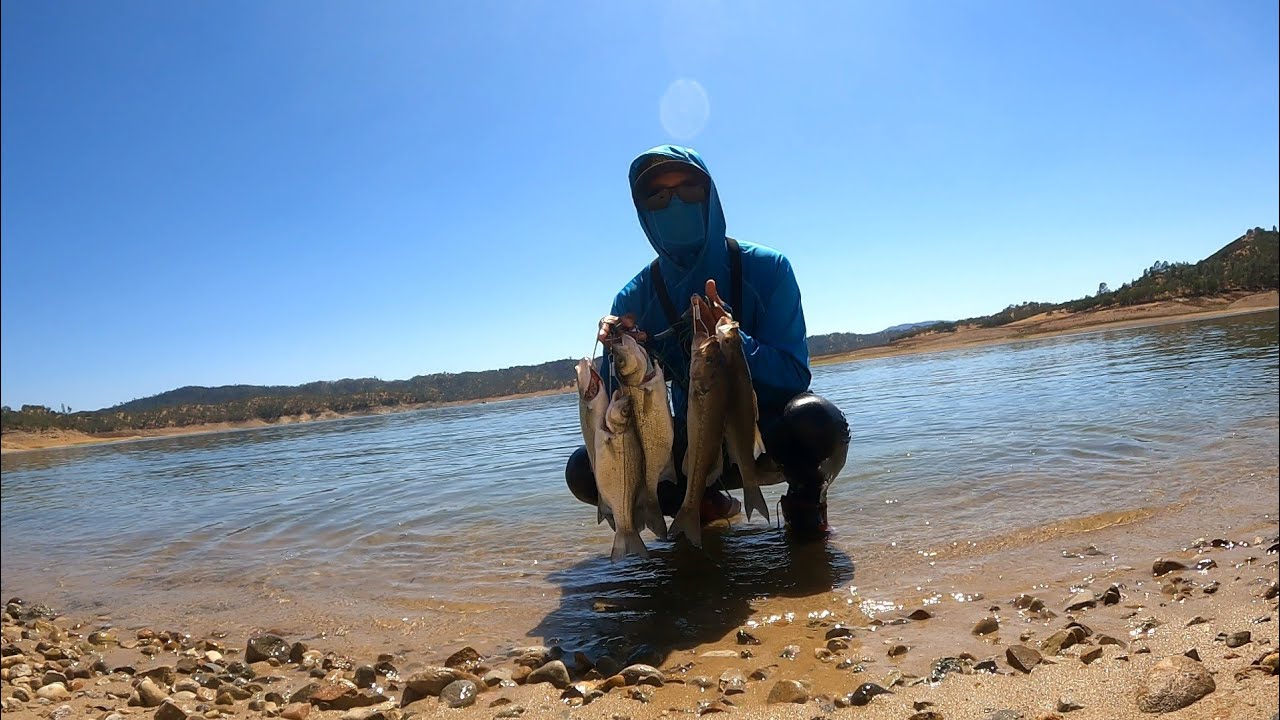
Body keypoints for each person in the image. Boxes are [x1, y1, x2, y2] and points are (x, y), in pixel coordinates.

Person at [565, 145, 850, 540]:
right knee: (584, 469)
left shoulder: (768, 268)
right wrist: (619, 353)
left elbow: (794, 374)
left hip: (762, 438)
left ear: (710, 195)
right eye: (658, 196)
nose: (674, 203)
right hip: (691, 443)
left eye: (688, 189)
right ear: (642, 211)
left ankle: (806, 504)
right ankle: (702, 504)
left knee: (816, 420)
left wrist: (733, 342)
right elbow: (621, 412)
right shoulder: (634, 298)